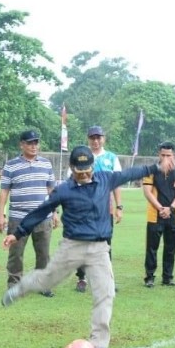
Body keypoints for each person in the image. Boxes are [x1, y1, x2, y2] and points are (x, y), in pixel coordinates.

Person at [0, 145, 173, 348]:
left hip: (99, 249)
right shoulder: (64, 190)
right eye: (79, 171)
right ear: (72, 168)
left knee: (106, 293)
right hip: (72, 247)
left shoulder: (105, 179)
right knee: (46, 280)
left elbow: (131, 173)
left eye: (87, 169)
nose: (84, 174)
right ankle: (20, 289)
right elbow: (40, 211)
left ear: (93, 167)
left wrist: (157, 167)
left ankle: (98, 345)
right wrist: (17, 233)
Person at [0, 130, 58, 298]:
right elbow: (4, 192)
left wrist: (55, 211)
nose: (33, 146)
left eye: (36, 142)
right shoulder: (11, 165)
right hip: (18, 218)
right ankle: (14, 286)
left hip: (42, 217)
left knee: (44, 254)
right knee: (15, 254)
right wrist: (0, 215)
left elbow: (52, 190)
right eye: (30, 143)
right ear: (21, 144)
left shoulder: (46, 164)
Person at [75, 125, 123, 293]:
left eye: (98, 137)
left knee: (105, 245)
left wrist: (119, 206)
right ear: (88, 139)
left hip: (105, 210)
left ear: (104, 138)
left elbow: (116, 184)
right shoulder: (81, 156)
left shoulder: (111, 158)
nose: (95, 141)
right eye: (92, 138)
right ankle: (81, 278)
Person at [142, 142, 175, 287]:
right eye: (163, 155)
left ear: (174, 156)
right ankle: (149, 277)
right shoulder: (151, 171)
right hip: (155, 215)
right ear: (158, 155)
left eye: (169, 155)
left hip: (173, 216)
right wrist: (161, 208)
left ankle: (168, 277)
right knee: (152, 248)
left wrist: (170, 208)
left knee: (170, 248)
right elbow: (147, 192)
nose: (166, 158)